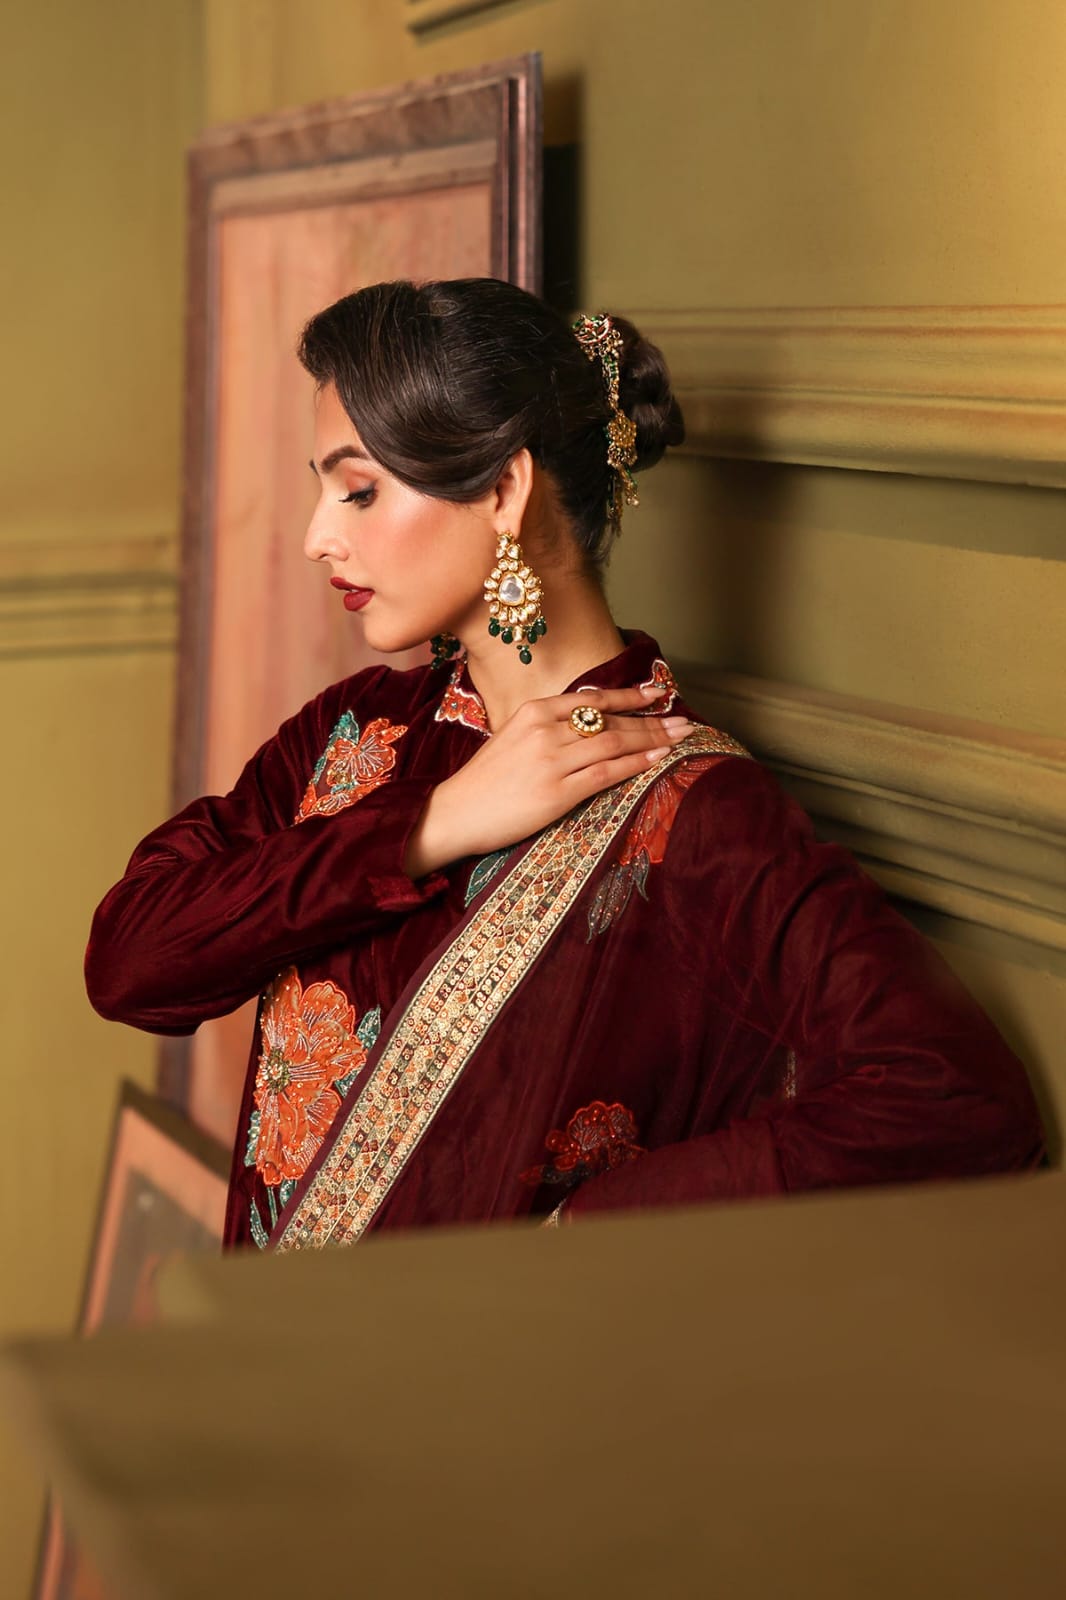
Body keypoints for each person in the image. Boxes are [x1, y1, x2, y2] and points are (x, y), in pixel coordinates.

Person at [85, 278, 1045, 1251]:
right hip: (255, 1338)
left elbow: (957, 1100)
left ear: (503, 491)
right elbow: (129, 963)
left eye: (359, 490)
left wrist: (575, 1247)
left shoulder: (693, 812)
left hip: (489, 1352)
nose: (314, 537)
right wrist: (431, 824)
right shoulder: (357, 734)